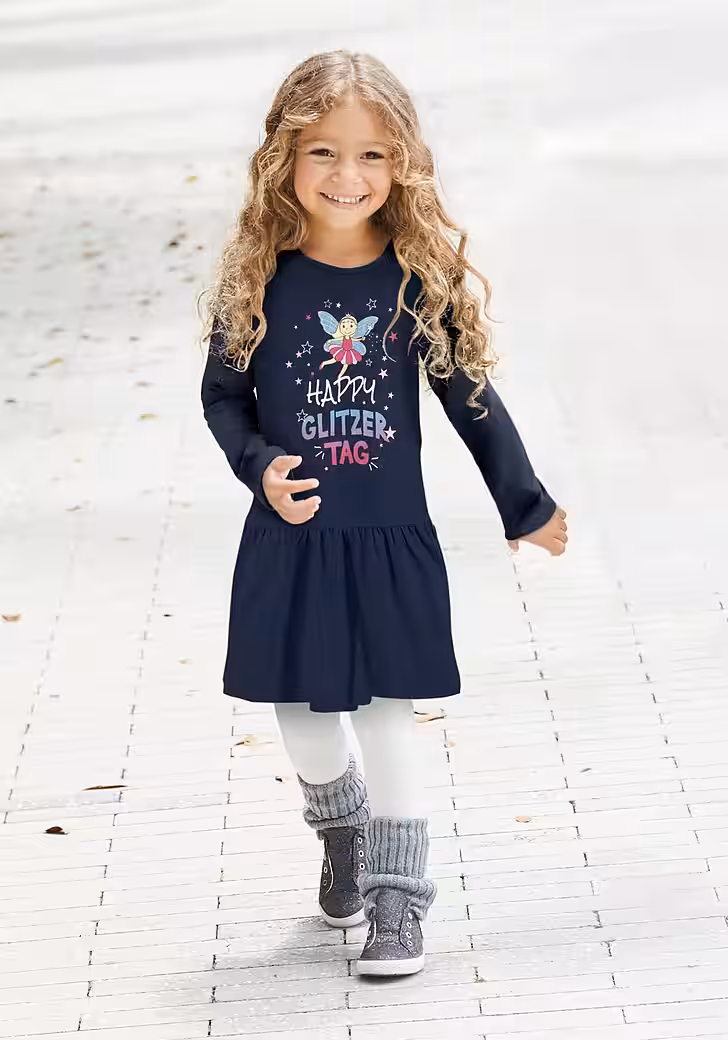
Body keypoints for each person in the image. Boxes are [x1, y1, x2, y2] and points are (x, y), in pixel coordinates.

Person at [200, 50, 568, 978]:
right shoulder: (258, 277)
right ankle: (344, 832)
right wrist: (260, 468)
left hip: (389, 539)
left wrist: (525, 505)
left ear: (402, 163)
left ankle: (398, 900)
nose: (347, 174)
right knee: (302, 721)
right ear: (284, 158)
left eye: (371, 154)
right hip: (290, 540)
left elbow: (472, 401)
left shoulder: (415, 281)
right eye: (323, 151)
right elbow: (223, 398)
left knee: (388, 717)